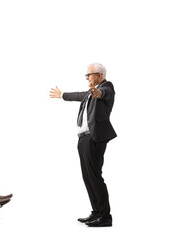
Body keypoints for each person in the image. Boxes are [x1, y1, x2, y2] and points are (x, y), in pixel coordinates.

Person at [50, 63, 116, 227]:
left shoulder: (106, 86)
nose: (86, 77)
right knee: (87, 177)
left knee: (94, 176)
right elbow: (80, 95)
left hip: (94, 138)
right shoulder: (89, 92)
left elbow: (104, 94)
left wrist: (98, 92)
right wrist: (62, 95)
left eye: (89, 74)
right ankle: (96, 212)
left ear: (99, 75)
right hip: (83, 139)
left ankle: (105, 216)